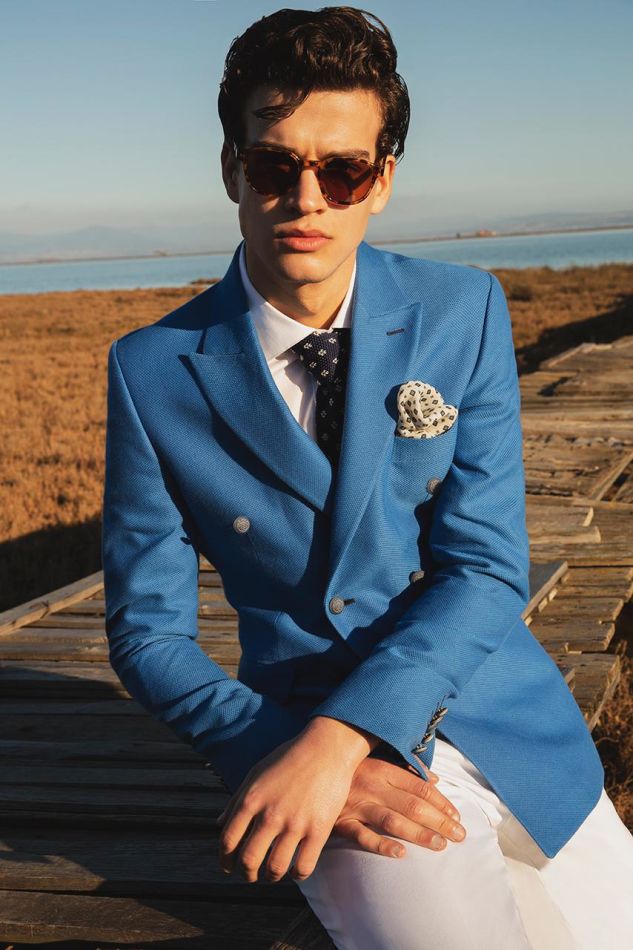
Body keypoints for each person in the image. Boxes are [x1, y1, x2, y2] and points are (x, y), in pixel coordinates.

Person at [101, 6, 633, 948]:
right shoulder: (152, 369)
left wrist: (341, 734)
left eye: (341, 170)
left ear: (381, 180)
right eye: (274, 166)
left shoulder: (462, 309)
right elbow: (147, 632)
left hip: (499, 713)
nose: (307, 199)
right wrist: (275, 749)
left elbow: (485, 566)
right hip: (307, 743)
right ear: (231, 169)